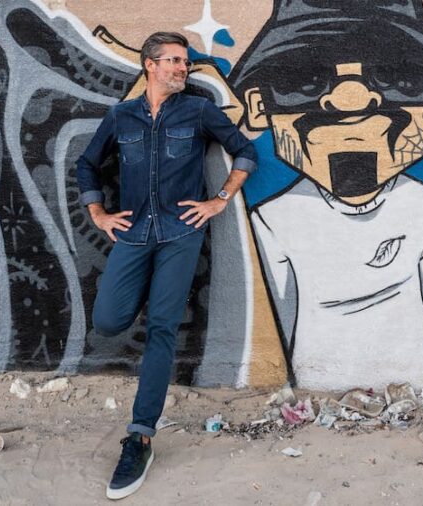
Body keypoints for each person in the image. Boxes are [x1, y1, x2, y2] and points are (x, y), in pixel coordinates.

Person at [229, 0, 423, 390]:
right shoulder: (275, 219)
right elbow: (265, 323)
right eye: (305, 81)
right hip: (314, 381)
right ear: (258, 108)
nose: (352, 100)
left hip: (417, 381)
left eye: (396, 78)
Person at [76, 32, 257, 499]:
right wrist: (98, 213)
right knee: (108, 319)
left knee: (162, 327)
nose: (182, 68)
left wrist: (219, 200)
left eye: (185, 62)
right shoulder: (121, 116)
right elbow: (87, 165)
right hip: (134, 233)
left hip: (181, 234)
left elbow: (246, 152)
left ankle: (140, 437)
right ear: (150, 65)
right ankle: (147, 293)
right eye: (173, 60)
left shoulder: (198, 111)